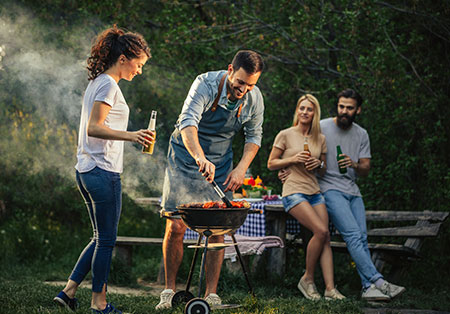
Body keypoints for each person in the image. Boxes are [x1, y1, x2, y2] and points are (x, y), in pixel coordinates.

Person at [53, 26, 153, 314]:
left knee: (99, 238)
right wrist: (133, 135)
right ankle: (99, 304)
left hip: (86, 168)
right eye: (139, 64)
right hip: (102, 171)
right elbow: (94, 127)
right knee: (107, 241)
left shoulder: (98, 82)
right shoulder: (108, 85)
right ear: (123, 59)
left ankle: (69, 291)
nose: (140, 71)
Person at [157, 50, 265, 309]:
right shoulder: (204, 84)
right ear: (230, 70)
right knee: (176, 226)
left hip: (222, 160)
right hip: (185, 156)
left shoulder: (254, 98)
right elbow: (187, 123)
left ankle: (211, 294)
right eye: (240, 82)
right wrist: (199, 157)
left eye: (251, 85)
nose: (244, 89)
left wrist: (240, 169)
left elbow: (254, 137)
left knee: (219, 227)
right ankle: (169, 291)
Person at [280, 89, 406, 301]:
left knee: (361, 238)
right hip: (328, 189)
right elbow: (296, 140)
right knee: (353, 236)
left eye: (349, 108)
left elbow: (365, 169)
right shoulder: (322, 127)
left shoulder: (361, 134)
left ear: (358, 110)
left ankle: (367, 287)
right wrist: (287, 170)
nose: (344, 111)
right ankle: (379, 281)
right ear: (337, 107)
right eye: (341, 106)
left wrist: (354, 164)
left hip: (353, 191)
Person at [267, 94, 345, 301]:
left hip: (314, 191)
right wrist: (292, 159)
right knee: (319, 230)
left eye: (309, 109)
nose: (305, 112)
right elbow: (271, 163)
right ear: (297, 111)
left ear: (314, 113)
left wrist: (317, 164)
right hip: (293, 191)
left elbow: (323, 170)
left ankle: (330, 289)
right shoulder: (285, 134)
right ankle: (308, 278)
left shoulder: (320, 138)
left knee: (325, 236)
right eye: (302, 108)